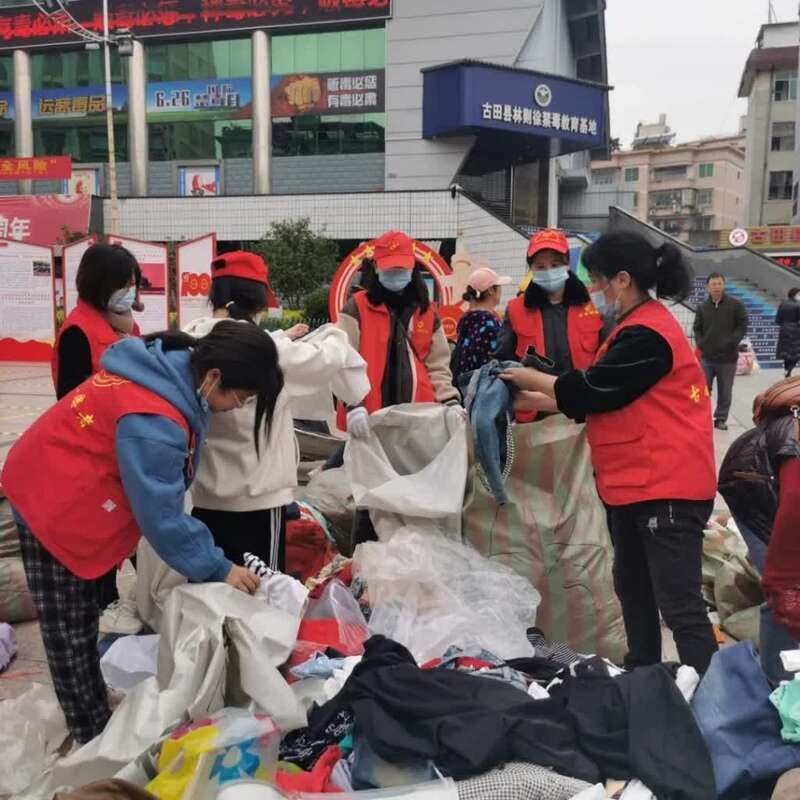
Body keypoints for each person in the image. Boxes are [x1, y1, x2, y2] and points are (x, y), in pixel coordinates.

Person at [1, 322, 282, 744]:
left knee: (82, 616)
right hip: (50, 501)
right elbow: (161, 516)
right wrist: (218, 566)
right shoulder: (153, 418)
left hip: (67, 482)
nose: (234, 408)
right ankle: (90, 733)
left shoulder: (173, 370)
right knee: (70, 630)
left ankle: (93, 702)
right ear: (214, 377)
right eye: (238, 399)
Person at [501, 230, 718, 674]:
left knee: (680, 606)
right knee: (633, 591)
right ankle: (643, 678)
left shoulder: (649, 334)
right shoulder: (628, 331)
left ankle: (716, 703)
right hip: (633, 488)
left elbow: (590, 387)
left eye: (598, 281)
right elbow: (599, 399)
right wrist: (522, 399)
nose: (594, 291)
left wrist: (524, 374)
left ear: (622, 280)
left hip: (667, 489)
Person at [183, 251, 368, 570]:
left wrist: (282, 337)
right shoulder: (269, 353)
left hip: (203, 498)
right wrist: (335, 335)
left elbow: (240, 339)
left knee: (212, 589)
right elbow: (327, 359)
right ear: (257, 301)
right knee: (260, 595)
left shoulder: (190, 336)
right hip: (255, 503)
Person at [336, 229, 459, 437]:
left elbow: (437, 365)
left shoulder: (426, 311)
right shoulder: (357, 307)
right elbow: (343, 358)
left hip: (417, 416)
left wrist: (450, 401)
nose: (396, 274)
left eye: (401, 268)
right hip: (368, 415)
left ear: (413, 268)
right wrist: (353, 404)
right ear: (376, 267)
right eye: (390, 268)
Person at [718, 376, 800, 683]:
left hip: (779, 478)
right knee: (785, 599)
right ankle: (778, 686)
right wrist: (783, 588)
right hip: (752, 483)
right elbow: (793, 509)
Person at [496, 228, 602, 375]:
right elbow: (503, 361)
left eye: (555, 265)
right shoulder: (515, 309)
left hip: (584, 395)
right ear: (531, 268)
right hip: (532, 395)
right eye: (540, 266)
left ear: (567, 264)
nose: (549, 271)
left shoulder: (594, 304)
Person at [53, 242, 141, 400]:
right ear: (98, 284)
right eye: (123, 285)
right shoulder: (77, 331)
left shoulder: (127, 325)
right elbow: (70, 396)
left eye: (132, 284)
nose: (129, 291)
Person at [693, 273, 748, 431]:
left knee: (725, 391)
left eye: (719, 283)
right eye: (713, 284)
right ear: (707, 287)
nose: (716, 287)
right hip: (707, 358)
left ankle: (720, 418)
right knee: (703, 389)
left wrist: (731, 342)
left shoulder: (735, 304)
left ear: (724, 285)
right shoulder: (702, 307)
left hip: (728, 358)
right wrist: (701, 343)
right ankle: (701, 417)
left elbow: (742, 325)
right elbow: (697, 328)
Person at [451, 263, 512, 380]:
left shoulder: (466, 318)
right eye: (498, 287)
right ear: (490, 291)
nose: (501, 291)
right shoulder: (489, 322)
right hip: (483, 385)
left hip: (463, 381)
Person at [775, 287, 800, 377]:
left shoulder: (782, 304)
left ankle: (786, 370)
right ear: (795, 294)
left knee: (786, 353)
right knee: (796, 353)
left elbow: (777, 320)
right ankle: (789, 370)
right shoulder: (798, 305)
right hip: (796, 331)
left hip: (784, 330)